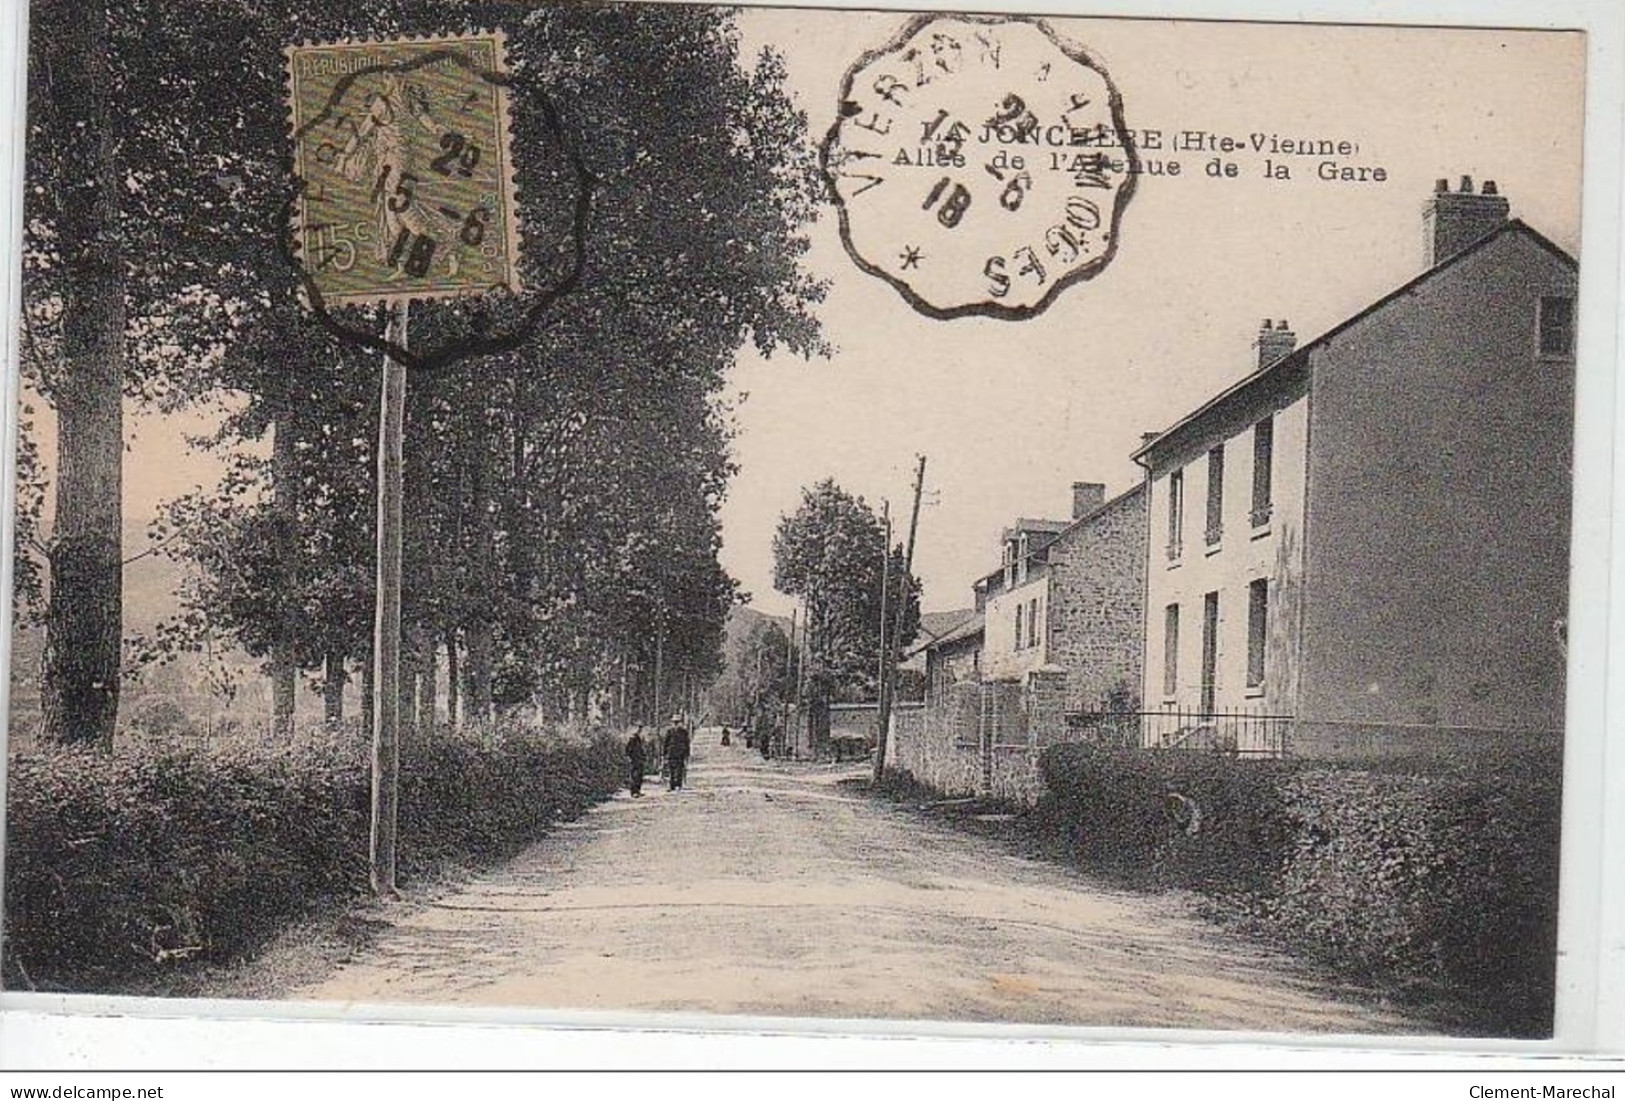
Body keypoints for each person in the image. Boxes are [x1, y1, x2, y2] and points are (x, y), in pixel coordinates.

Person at [661, 713, 692, 791]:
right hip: (671, 753)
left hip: (680, 753)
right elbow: (666, 742)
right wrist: (664, 753)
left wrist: (687, 753)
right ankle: (672, 785)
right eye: (674, 722)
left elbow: (687, 742)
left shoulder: (684, 732)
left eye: (677, 722)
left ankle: (679, 784)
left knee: (679, 769)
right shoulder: (669, 731)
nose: (676, 724)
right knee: (671, 769)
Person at [624, 726, 648, 797]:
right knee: (634, 776)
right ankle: (634, 792)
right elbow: (628, 750)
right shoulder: (632, 739)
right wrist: (629, 757)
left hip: (639, 759)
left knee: (639, 776)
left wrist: (643, 756)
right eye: (638, 729)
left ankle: (637, 790)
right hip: (634, 760)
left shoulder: (638, 739)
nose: (639, 730)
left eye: (640, 729)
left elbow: (641, 749)